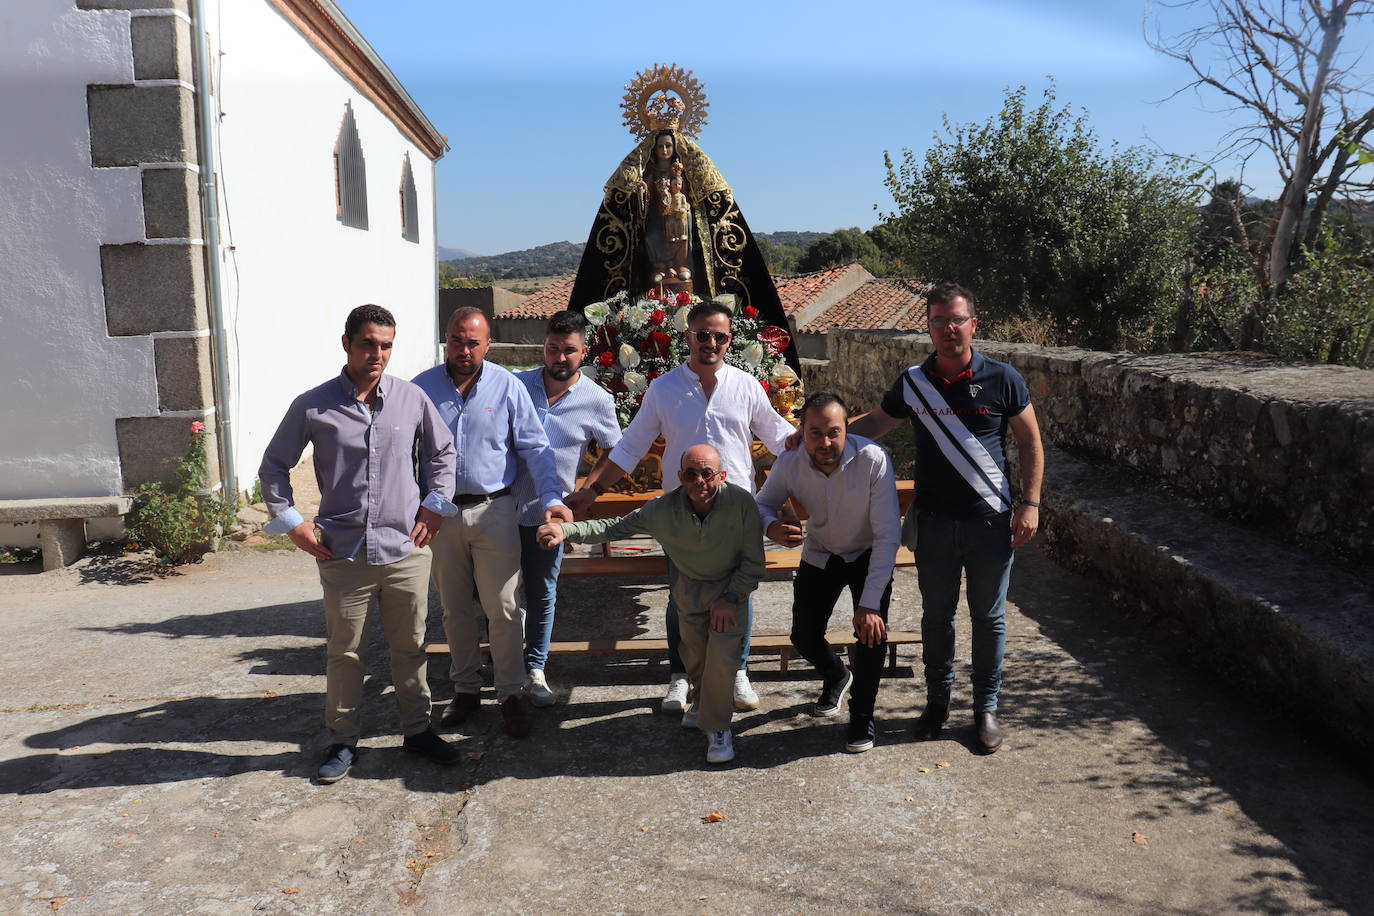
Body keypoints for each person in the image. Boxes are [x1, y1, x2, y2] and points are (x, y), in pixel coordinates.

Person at [259, 304, 462, 784]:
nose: (378, 354)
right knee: (345, 652)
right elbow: (273, 466)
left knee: (410, 646)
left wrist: (436, 506)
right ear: (347, 342)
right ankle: (342, 739)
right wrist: (291, 523)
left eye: (386, 345)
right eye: (368, 343)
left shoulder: (411, 399)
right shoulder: (313, 405)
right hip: (342, 550)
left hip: (404, 548)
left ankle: (417, 731)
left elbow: (444, 452)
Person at [565, 300, 794, 714]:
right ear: (687, 337)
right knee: (680, 595)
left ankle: (737, 671)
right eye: (702, 334)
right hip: (681, 511)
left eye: (719, 336)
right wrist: (591, 491)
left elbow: (781, 437)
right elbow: (631, 447)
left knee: (737, 595)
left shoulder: (745, 386)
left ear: (730, 341)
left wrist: (829, 448)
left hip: (736, 508)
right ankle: (680, 676)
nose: (711, 342)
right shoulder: (664, 388)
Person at [849, 282, 1044, 755]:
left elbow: (1030, 443)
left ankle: (986, 709)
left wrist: (1031, 504)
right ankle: (937, 705)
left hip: (990, 522)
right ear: (929, 327)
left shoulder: (1003, 378)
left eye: (957, 320)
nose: (949, 329)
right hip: (934, 523)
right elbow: (874, 424)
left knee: (989, 618)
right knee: (936, 618)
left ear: (974, 324)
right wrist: (821, 433)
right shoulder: (914, 382)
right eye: (939, 321)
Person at [538, 444, 764, 764]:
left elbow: (754, 563)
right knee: (696, 658)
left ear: (722, 475)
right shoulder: (662, 509)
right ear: (679, 477)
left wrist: (730, 598)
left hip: (730, 592)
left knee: (722, 660)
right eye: (691, 474)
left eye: (707, 473)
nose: (699, 480)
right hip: (689, 590)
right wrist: (566, 530)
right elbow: (613, 527)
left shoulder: (741, 503)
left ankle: (718, 729)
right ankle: (701, 704)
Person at [412, 307, 572, 738]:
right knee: (454, 608)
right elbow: (403, 451)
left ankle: (509, 693)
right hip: (441, 515)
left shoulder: (506, 386)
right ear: (446, 338)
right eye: (456, 340)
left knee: (502, 606)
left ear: (488, 344)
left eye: (473, 342)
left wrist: (552, 497)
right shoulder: (420, 388)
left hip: (495, 510)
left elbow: (536, 449)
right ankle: (465, 689)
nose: (464, 350)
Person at [755, 392, 900, 754]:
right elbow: (762, 504)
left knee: (870, 636)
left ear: (846, 428)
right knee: (803, 636)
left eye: (833, 432)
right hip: (821, 552)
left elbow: (887, 535)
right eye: (815, 432)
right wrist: (770, 526)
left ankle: (862, 716)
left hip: (867, 552)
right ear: (801, 431)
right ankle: (837, 674)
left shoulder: (873, 458)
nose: (824, 442)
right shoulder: (790, 461)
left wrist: (868, 605)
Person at [513, 310, 622, 706]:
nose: (560, 357)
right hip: (500, 508)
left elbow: (616, 449)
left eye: (569, 351)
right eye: (553, 348)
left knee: (542, 592)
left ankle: (535, 669)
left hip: (549, 515)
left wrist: (590, 490)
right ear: (544, 346)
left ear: (584, 352)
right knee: (495, 593)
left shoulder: (596, 400)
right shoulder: (515, 386)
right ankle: (507, 654)